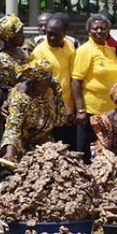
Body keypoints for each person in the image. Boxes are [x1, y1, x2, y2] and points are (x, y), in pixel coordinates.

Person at [71, 13, 117, 161]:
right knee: (84, 150)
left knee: (107, 148)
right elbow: (76, 80)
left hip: (110, 110)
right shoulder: (85, 50)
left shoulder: (110, 51)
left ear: (108, 31)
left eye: (103, 28)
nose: (99, 31)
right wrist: (80, 110)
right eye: (95, 28)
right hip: (90, 109)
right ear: (89, 31)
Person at [0, 60, 67, 162]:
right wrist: (10, 153)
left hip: (44, 141)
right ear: (33, 83)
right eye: (42, 85)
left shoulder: (52, 86)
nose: (46, 88)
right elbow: (13, 127)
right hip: (22, 144)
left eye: (48, 83)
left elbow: (56, 119)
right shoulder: (19, 99)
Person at [31, 13, 76, 148]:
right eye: (49, 33)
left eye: (56, 34)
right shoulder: (39, 52)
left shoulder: (70, 46)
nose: (51, 37)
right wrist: (63, 107)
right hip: (50, 111)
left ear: (65, 33)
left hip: (69, 111)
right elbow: (39, 85)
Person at [0, 14, 28, 96]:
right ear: (9, 37)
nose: (23, 36)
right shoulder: (1, 60)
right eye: (20, 33)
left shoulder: (21, 52)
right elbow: (3, 88)